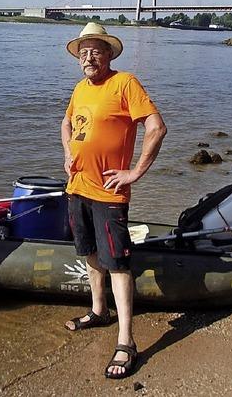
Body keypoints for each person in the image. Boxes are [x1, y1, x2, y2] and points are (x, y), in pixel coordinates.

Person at [61, 22, 167, 379]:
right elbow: (67, 124)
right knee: (89, 252)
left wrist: (135, 172)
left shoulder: (125, 83)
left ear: (108, 54)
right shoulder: (79, 88)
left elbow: (156, 126)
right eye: (84, 52)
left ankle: (126, 341)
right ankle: (98, 310)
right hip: (77, 188)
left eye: (96, 50)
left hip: (109, 194)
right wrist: (67, 153)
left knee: (118, 264)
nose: (89, 57)